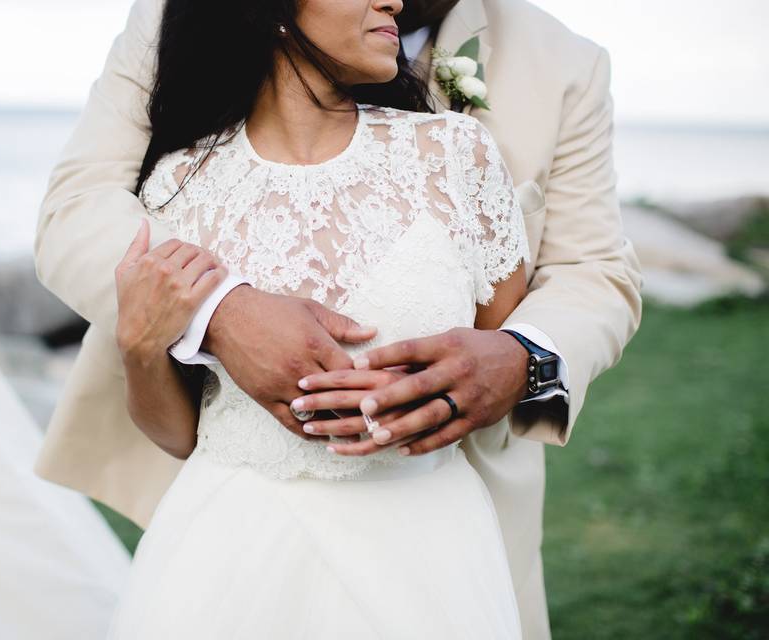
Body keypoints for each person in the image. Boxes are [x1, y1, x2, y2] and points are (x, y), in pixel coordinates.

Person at [33, 0, 643, 637]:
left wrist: (522, 357)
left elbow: (593, 268)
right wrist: (216, 311)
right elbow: (78, 206)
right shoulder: (182, 163)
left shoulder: (535, 88)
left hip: (436, 534)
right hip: (230, 540)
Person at [103, 0, 528, 635]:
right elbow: (178, 432)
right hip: (226, 557)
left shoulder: (456, 156)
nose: (395, 0)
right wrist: (139, 346)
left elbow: (495, 362)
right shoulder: (179, 183)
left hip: (424, 551)